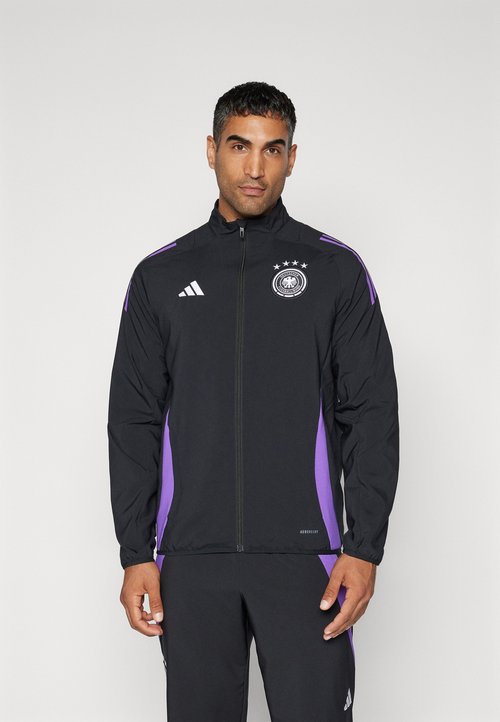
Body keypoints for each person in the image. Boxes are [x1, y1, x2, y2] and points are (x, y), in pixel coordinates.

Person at [107, 80, 400, 721]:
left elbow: (371, 413)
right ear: (211, 150)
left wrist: (363, 547)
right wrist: (136, 553)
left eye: (273, 149)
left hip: (308, 559)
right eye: (240, 146)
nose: (255, 168)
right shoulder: (160, 276)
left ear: (292, 158)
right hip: (192, 560)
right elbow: (133, 419)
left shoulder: (335, 271)